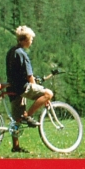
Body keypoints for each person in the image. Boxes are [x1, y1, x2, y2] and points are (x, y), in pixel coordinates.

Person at [6, 25, 53, 153]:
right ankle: (28, 116)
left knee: (17, 119)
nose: (31, 41)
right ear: (25, 39)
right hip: (22, 88)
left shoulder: (11, 51)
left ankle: (16, 147)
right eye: (31, 39)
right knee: (48, 93)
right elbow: (29, 76)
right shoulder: (22, 54)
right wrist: (38, 88)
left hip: (12, 87)